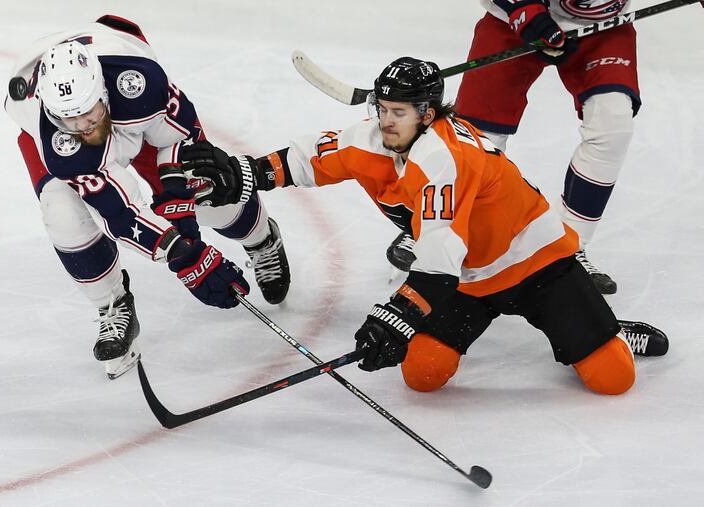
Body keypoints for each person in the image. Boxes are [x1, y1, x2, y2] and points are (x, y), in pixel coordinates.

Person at [184, 56, 668, 396]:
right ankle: (586, 324)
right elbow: (308, 157)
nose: (386, 122)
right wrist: (243, 174)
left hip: (539, 264)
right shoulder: (376, 138)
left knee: (612, 379)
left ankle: (605, 329)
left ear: (428, 113)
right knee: (423, 374)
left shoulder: (445, 159)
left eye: (399, 113)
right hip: (471, 280)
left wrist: (397, 316)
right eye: (382, 109)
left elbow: (437, 256)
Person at [4, 15, 290, 379]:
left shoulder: (139, 84)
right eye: (70, 119)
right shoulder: (59, 139)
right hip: (71, 150)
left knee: (205, 181)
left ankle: (262, 239)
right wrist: (183, 253)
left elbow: (182, 140)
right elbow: (121, 212)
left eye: (88, 113)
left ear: (103, 93)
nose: (83, 127)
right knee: (63, 213)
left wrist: (182, 207)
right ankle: (113, 305)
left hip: (129, 112)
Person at [394, 0, 637, 296]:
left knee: (613, 124)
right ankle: (432, 228)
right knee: (477, 139)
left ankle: (567, 250)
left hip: (603, 27)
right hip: (512, 22)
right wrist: (523, 9)